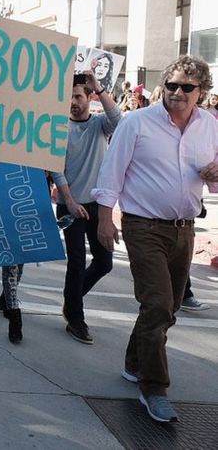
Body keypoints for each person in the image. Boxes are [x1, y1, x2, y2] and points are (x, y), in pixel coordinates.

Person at [92, 55, 218, 423]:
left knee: (168, 307)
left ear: (201, 91)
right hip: (142, 226)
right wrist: (104, 220)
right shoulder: (137, 122)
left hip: (184, 228)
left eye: (187, 87)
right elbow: (112, 170)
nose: (178, 93)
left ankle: (134, 362)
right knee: (159, 304)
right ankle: (154, 387)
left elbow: (211, 179)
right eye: (173, 85)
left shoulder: (209, 126)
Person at [51, 72, 120, 344]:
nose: (73, 102)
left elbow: (119, 120)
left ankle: (71, 300)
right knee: (77, 262)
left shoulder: (100, 125)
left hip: (97, 206)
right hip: (71, 205)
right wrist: (69, 201)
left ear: (88, 98)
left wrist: (99, 88)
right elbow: (57, 168)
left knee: (104, 263)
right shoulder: (59, 129)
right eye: (69, 97)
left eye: (78, 96)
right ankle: (76, 319)